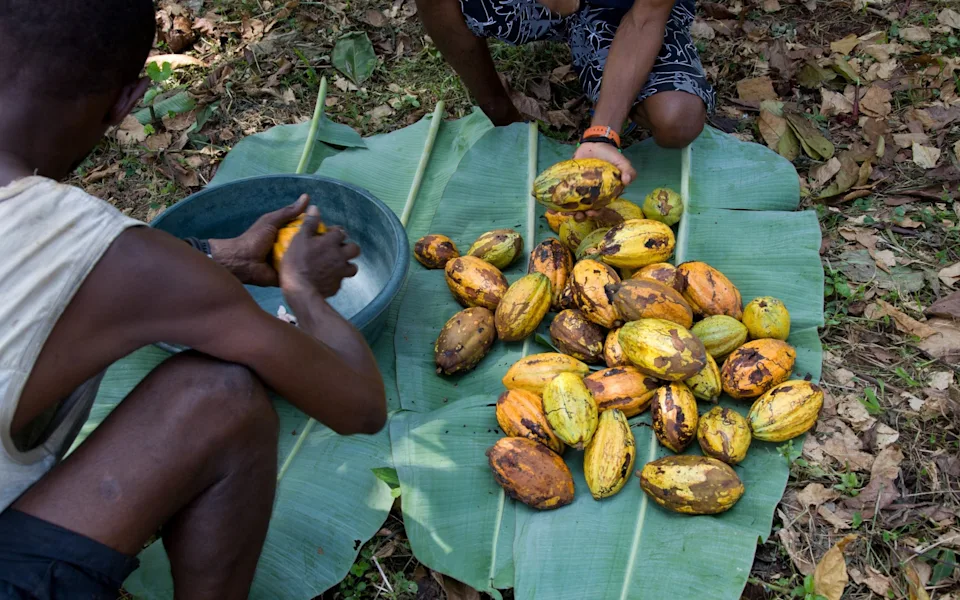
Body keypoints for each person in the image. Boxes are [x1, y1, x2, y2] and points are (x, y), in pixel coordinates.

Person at [0, 1, 387, 598]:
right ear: (127, 102)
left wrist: (217, 257)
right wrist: (303, 291)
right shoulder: (118, 260)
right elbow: (360, 407)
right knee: (221, 396)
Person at [416, 0, 715, 186]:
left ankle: (593, 47)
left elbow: (645, 18)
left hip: (624, 13)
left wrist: (602, 134)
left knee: (676, 119)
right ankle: (499, 111)